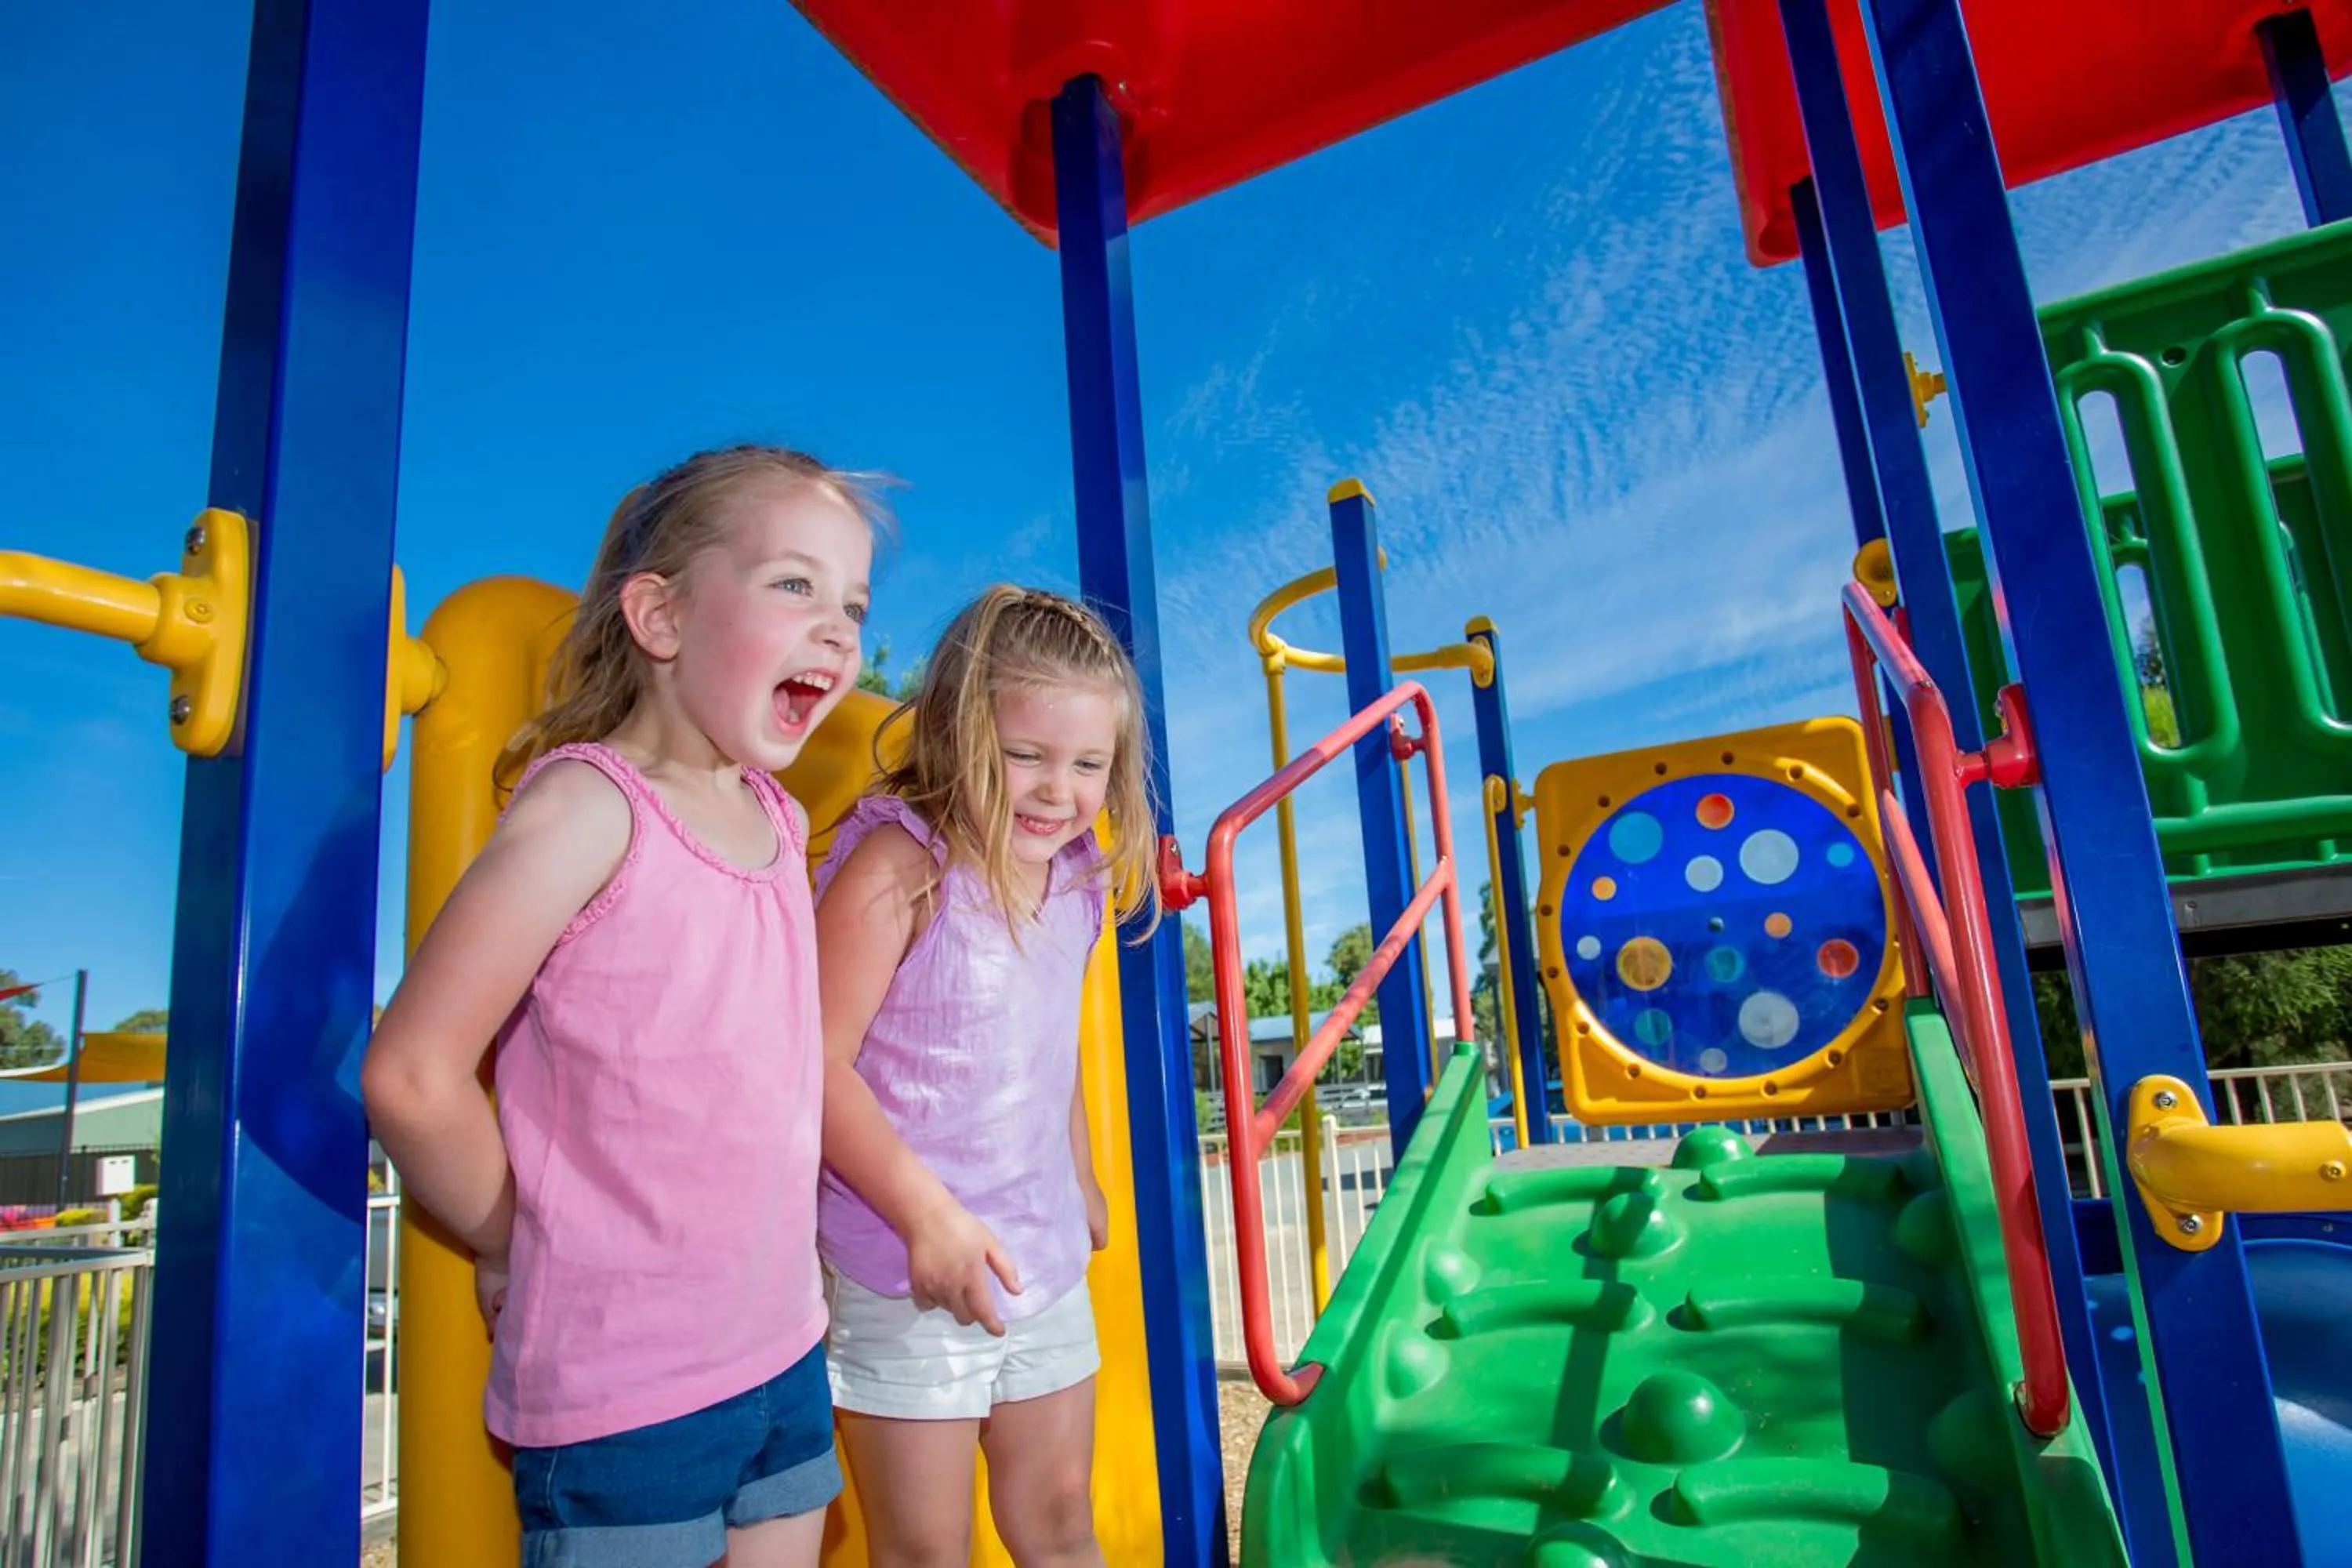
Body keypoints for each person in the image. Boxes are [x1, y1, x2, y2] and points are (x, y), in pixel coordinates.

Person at [361, 444, 884, 1566]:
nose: (839, 629)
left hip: (783, 1353)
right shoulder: (597, 807)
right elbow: (411, 1073)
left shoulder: (783, 825)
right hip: (627, 1388)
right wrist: (516, 1237)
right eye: (794, 585)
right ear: (660, 617)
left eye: (853, 601)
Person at [815, 584, 1158, 1566]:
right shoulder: (898, 865)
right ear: (963, 731)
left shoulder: (1080, 877)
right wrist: (928, 1217)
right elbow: (811, 1060)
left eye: (1089, 763)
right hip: (902, 1264)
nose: (1061, 789)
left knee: (1058, 1524)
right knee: (928, 1550)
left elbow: (1047, 1050)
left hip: (1038, 1257)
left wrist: (1082, 1172)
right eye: (1026, 756)